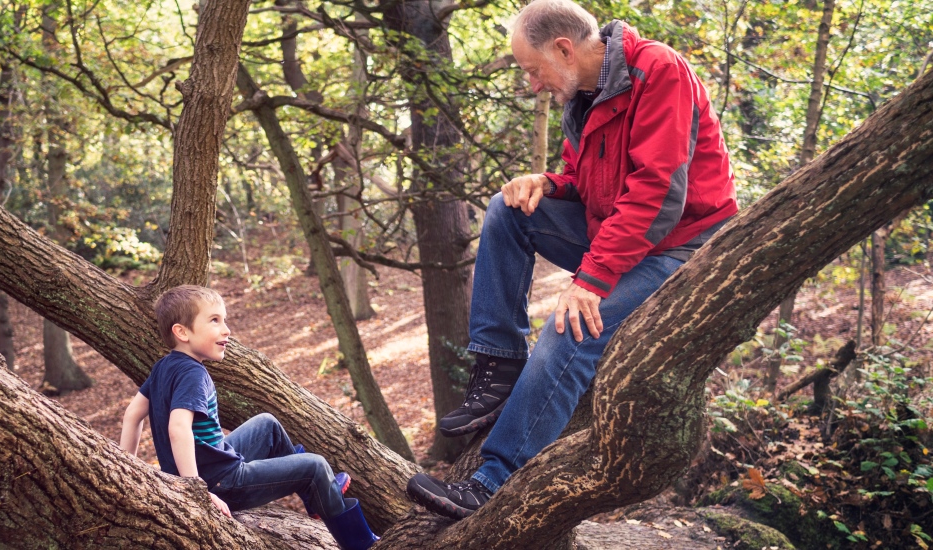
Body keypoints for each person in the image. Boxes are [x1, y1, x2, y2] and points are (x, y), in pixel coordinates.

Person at [406, 0, 738, 519]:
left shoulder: (660, 71)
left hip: (683, 246)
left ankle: (491, 481)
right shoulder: (583, 95)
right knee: (508, 209)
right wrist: (547, 183)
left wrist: (592, 280)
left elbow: (656, 194)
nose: (532, 84)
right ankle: (498, 368)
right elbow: (588, 183)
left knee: (569, 326)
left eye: (532, 70)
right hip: (622, 234)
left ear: (563, 48)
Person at [120, 285, 378, 549]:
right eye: (214, 320)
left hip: (212, 465)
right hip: (221, 482)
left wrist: (123, 471)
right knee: (315, 466)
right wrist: (196, 491)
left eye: (224, 320)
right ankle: (359, 542)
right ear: (182, 332)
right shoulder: (193, 374)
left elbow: (132, 415)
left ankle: (316, 497)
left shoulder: (164, 366)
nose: (226, 329)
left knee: (268, 425)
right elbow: (178, 429)